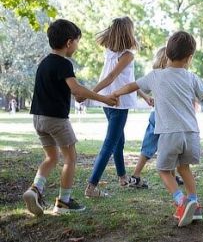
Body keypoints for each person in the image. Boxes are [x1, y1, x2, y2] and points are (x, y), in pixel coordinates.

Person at [113, 31, 203, 227]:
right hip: (191, 134)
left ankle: (181, 201)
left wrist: (116, 92)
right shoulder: (192, 77)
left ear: (167, 54)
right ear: (189, 58)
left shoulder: (156, 76)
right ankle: (194, 203)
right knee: (184, 168)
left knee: (163, 170)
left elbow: (132, 86)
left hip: (169, 134)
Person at [22, 19, 117, 216]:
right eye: (77, 41)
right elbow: (75, 88)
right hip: (56, 120)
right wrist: (104, 98)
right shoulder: (64, 64)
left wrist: (80, 94)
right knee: (70, 158)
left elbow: (70, 91)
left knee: (51, 157)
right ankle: (63, 202)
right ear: (68, 42)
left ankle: (35, 189)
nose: (77, 45)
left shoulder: (44, 63)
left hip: (38, 119)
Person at [84, 16, 152, 198]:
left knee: (119, 141)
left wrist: (144, 95)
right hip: (117, 102)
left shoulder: (110, 52)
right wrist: (88, 93)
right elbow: (111, 77)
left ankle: (123, 178)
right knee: (110, 142)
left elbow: (128, 79)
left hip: (108, 100)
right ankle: (91, 186)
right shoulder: (127, 55)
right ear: (128, 32)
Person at [128, 46, 183, 189]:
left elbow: (138, 85)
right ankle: (171, 176)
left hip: (155, 115)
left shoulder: (155, 75)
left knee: (148, 147)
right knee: (172, 145)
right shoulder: (174, 75)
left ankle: (136, 175)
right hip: (167, 118)